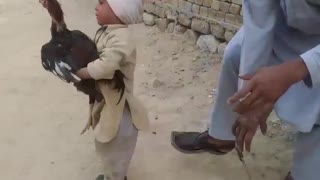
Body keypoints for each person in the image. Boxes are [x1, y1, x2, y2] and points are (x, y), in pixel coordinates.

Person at [171, 0, 320, 179]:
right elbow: (258, 23)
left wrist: (297, 69)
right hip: (289, 27)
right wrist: (250, 102)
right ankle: (223, 136)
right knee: (237, 54)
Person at [75, 0, 149, 180]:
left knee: (116, 147)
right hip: (109, 101)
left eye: (101, 3)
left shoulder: (122, 37)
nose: (96, 7)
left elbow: (106, 65)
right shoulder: (108, 32)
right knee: (108, 145)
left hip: (121, 107)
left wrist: (83, 72)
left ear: (119, 11)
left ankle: (116, 177)